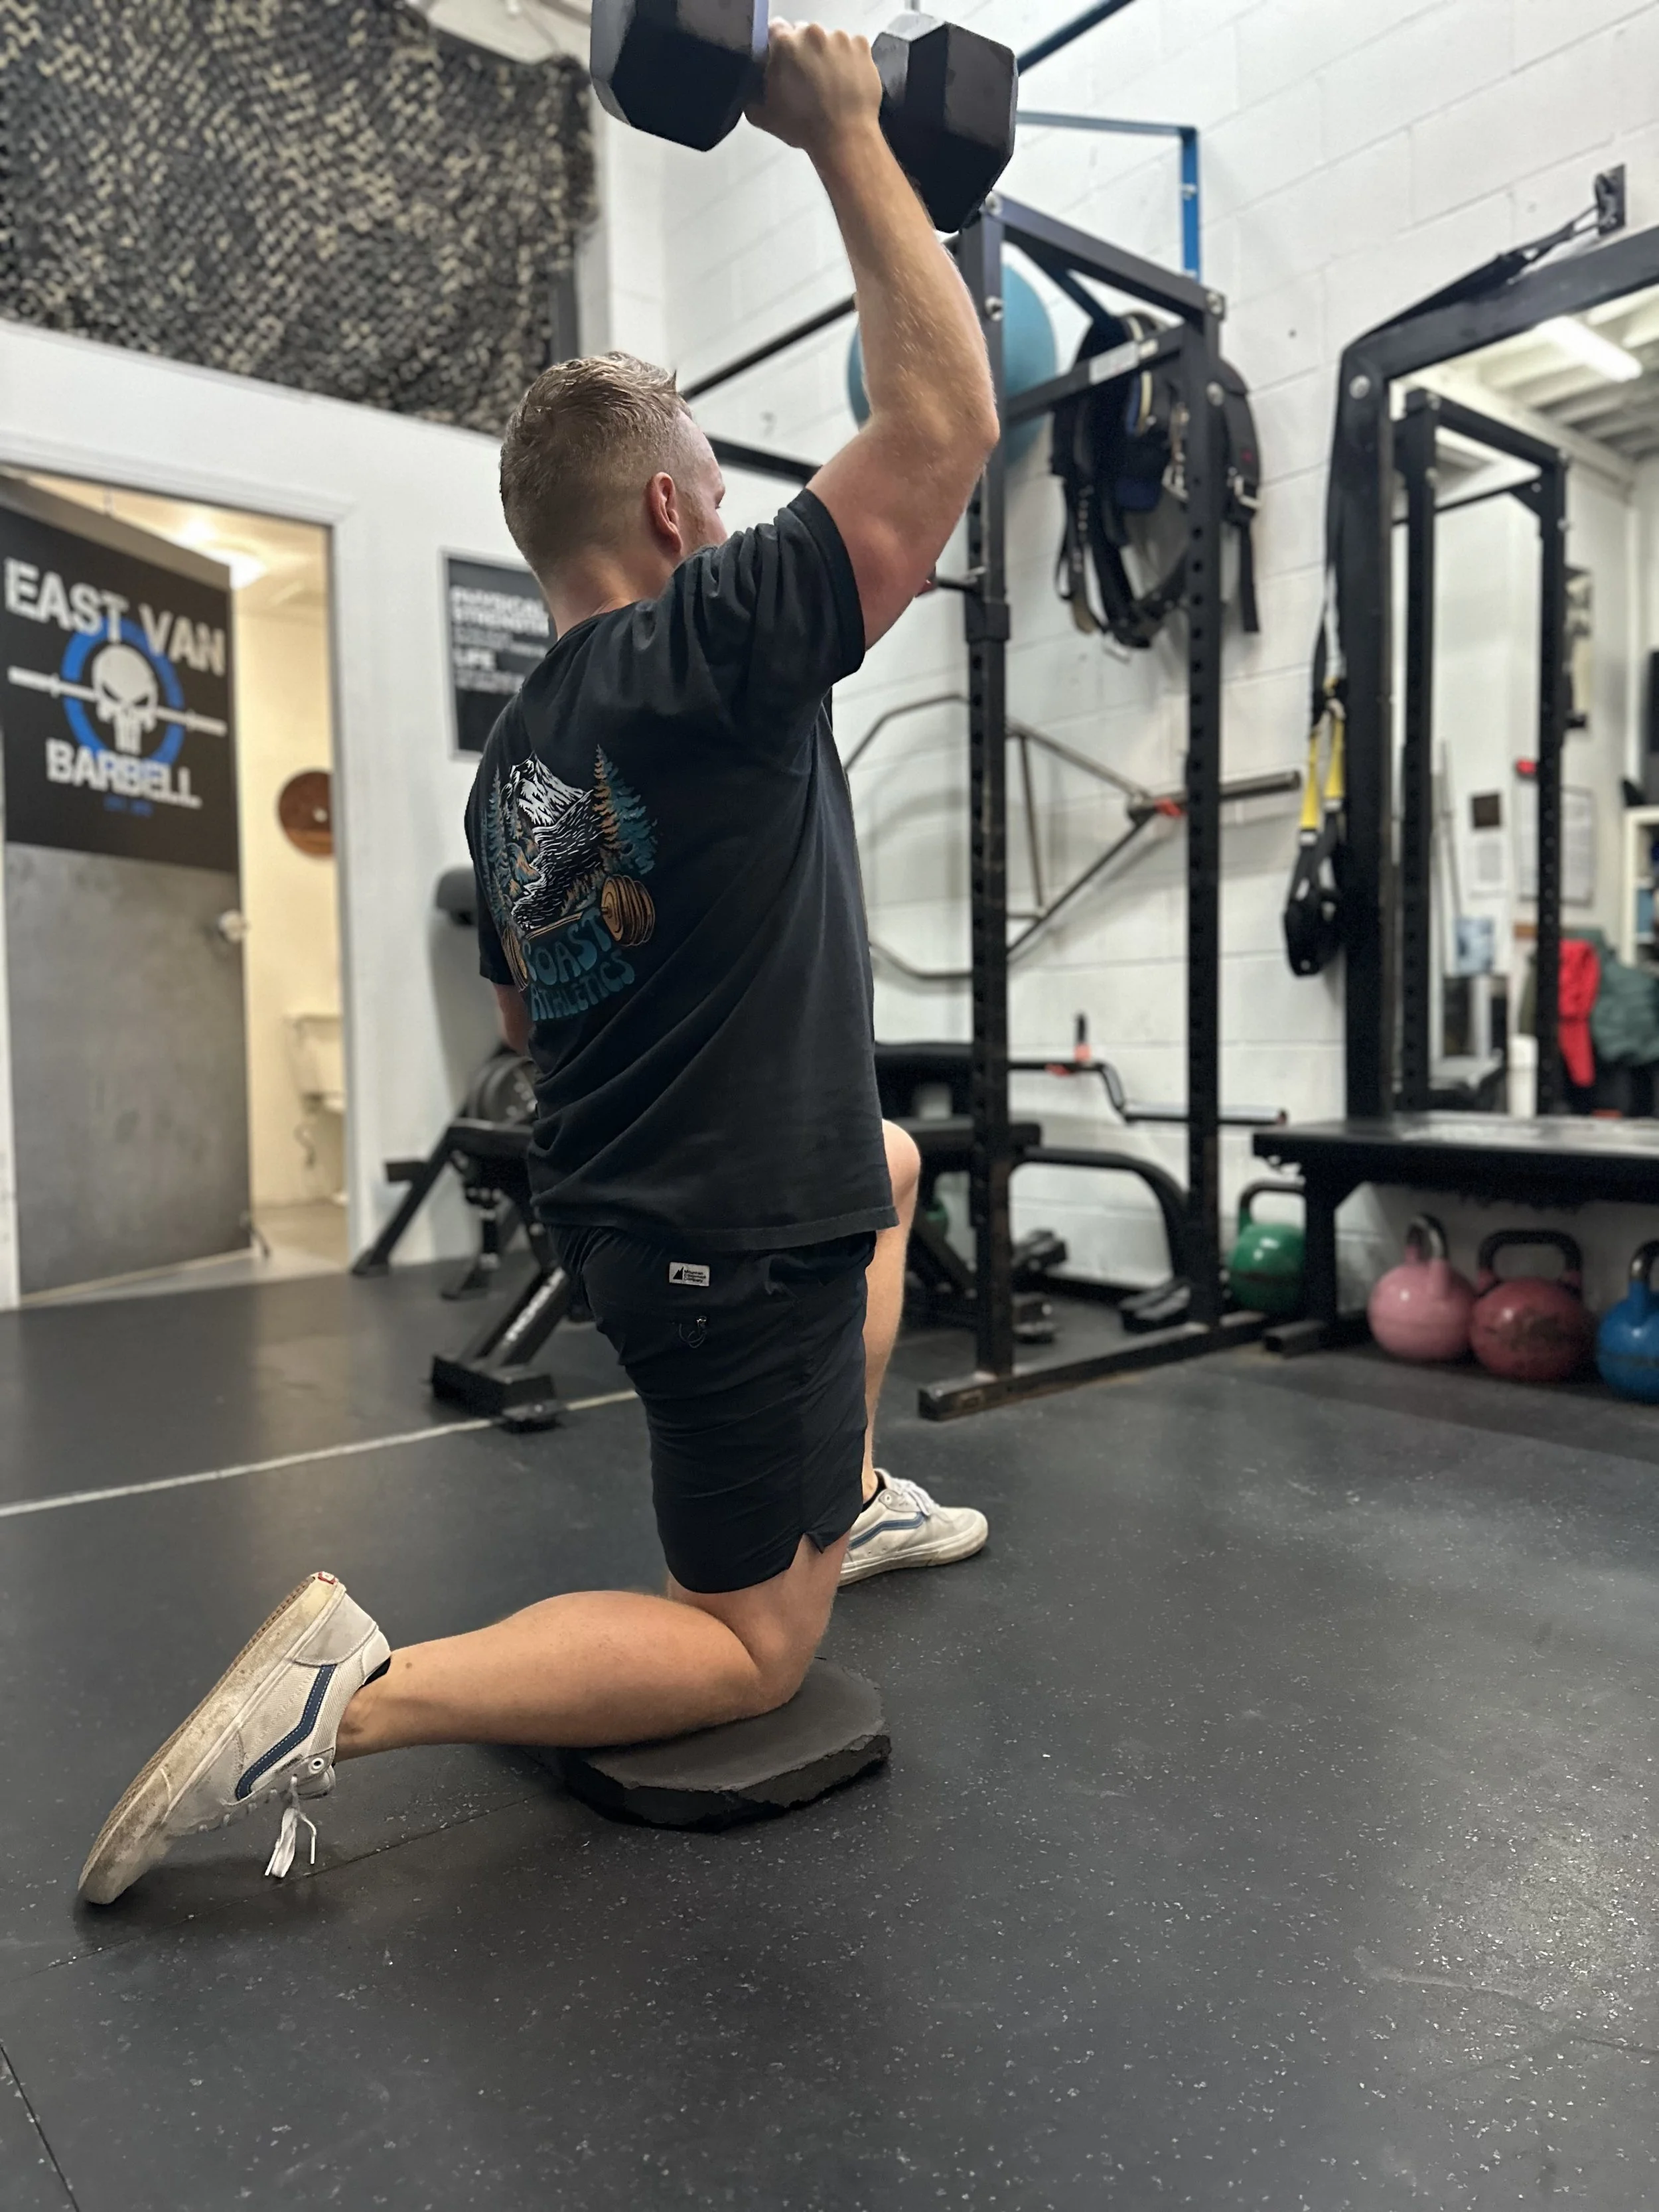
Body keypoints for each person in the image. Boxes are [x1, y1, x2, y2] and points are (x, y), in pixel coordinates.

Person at [79, 23, 999, 1906]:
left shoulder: (517, 756)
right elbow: (939, 438)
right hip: (724, 1241)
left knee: (895, 1166)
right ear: (673, 511)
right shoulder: (711, 639)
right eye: (723, 507)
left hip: (624, 1206)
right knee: (753, 1643)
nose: (736, 530)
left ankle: (845, 1490)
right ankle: (357, 1690)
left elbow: (523, 1006)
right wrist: (837, 132)